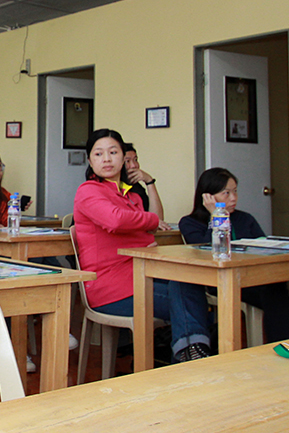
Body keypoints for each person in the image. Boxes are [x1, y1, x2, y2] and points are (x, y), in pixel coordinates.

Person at [73, 128, 212, 363]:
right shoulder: (88, 191)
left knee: (189, 282)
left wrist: (146, 226)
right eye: (98, 154)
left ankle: (189, 354)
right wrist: (150, 222)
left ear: (123, 158)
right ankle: (192, 358)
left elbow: (145, 232)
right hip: (111, 288)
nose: (106, 159)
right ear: (90, 161)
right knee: (189, 301)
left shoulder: (131, 196)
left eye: (113, 152)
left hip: (140, 275)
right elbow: (117, 220)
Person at [179, 167, 289, 342]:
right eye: (226, 193)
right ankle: (281, 344)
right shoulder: (190, 223)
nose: (233, 198)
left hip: (250, 276)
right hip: (219, 281)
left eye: (235, 191)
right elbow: (205, 252)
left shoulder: (245, 219)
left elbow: (263, 247)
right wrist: (215, 217)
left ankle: (284, 345)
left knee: (276, 286)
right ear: (208, 196)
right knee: (273, 294)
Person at [121, 142, 164, 221]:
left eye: (135, 160)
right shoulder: (110, 188)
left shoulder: (137, 188)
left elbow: (158, 220)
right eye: (127, 161)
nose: (134, 165)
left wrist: (149, 182)